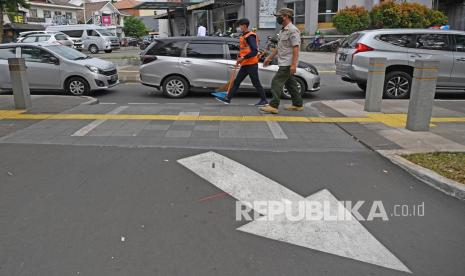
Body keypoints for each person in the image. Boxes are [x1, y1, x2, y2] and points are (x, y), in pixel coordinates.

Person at [216, 18, 268, 106]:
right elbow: (244, 49)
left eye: (239, 26)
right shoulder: (244, 36)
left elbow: (254, 51)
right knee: (237, 82)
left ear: (244, 26)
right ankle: (228, 98)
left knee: (256, 83)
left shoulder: (250, 36)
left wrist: (243, 57)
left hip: (251, 64)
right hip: (245, 64)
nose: (238, 28)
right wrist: (240, 57)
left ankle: (264, 100)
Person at [260, 8, 303, 114]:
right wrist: (269, 57)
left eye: (279, 16)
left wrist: (293, 65)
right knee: (290, 84)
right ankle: (298, 104)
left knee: (276, 82)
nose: (278, 18)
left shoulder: (293, 30)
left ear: (286, 16)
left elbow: (296, 48)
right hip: (284, 62)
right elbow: (279, 48)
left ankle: (273, 106)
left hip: (287, 63)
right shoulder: (283, 30)